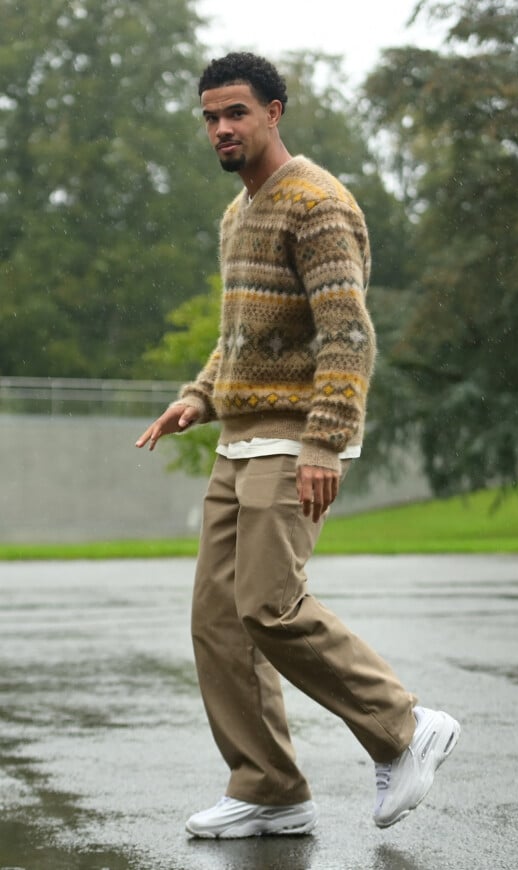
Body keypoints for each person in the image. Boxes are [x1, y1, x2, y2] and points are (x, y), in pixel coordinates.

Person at [136, 51, 460, 840]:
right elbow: (242, 334)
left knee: (269, 606)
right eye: (211, 116)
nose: (222, 128)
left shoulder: (316, 202)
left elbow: (346, 336)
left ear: (276, 111)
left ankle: (405, 726)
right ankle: (271, 788)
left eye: (237, 112)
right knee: (218, 622)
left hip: (296, 438)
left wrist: (325, 444)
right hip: (239, 441)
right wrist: (197, 395)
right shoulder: (237, 213)